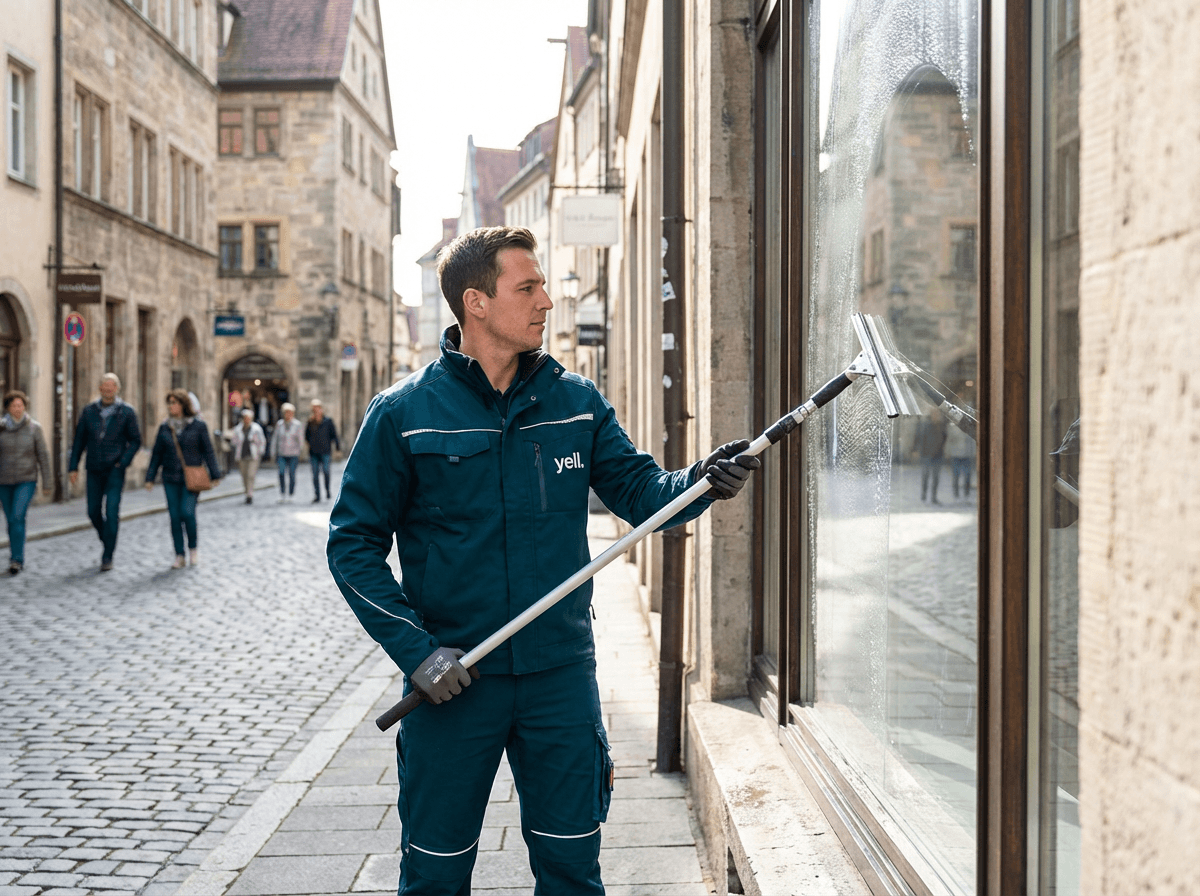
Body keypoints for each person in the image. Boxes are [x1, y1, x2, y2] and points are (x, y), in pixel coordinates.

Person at [327, 226, 759, 896]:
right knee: (434, 875)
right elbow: (352, 544)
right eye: (526, 287)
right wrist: (416, 653)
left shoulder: (574, 403)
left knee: (571, 871)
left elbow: (644, 494)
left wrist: (704, 479)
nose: (545, 302)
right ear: (475, 302)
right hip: (453, 682)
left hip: (558, 677)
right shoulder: (403, 415)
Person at [68, 372, 142, 572]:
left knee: (111, 510)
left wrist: (123, 462)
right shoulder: (89, 411)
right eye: (105, 387)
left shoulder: (127, 412)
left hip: (115, 469)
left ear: (117, 389)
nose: (108, 390)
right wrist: (72, 466)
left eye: (112, 387)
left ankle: (107, 555)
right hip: (93, 468)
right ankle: (107, 539)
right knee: (93, 511)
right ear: (100, 389)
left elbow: (136, 440)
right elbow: (79, 441)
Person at [144, 389, 221, 568]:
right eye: (169, 403)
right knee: (174, 516)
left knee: (187, 512)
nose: (171, 406)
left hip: (191, 478)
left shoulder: (198, 426)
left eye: (175, 402)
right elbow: (157, 454)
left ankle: (193, 548)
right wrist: (150, 477)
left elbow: (208, 450)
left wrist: (215, 473)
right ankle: (179, 554)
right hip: (170, 477)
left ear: (183, 405)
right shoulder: (165, 427)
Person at [0, 391, 52, 575]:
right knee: (10, 520)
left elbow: (43, 456)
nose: (17, 409)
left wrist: (47, 482)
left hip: (26, 480)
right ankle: (15, 554)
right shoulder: (1, 428)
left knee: (17, 516)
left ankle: (17, 559)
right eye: (14, 406)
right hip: (4, 481)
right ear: (7, 408)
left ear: (25, 407)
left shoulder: (33, 428)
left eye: (20, 405)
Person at [304, 398, 340, 503]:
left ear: (321, 409)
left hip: (325, 451)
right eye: (314, 408)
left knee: (326, 471)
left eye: (318, 408)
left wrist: (337, 447)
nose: (316, 410)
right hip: (313, 452)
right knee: (315, 474)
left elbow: (334, 435)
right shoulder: (310, 422)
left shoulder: (328, 421)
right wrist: (310, 444)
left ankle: (327, 490)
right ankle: (317, 495)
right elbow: (306, 436)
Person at [228, 408, 266, 504]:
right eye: (245, 418)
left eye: (248, 418)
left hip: (253, 455)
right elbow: (234, 441)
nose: (246, 420)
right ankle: (246, 492)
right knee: (244, 475)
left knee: (250, 475)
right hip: (242, 455)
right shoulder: (238, 429)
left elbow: (262, 441)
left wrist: (260, 451)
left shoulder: (256, 429)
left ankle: (250, 494)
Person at [270, 402, 303, 502]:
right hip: (282, 453)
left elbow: (300, 439)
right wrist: (273, 452)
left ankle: (291, 494)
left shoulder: (297, 424)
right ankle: (282, 493)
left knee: (292, 474)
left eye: (290, 412)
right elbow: (275, 439)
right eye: (286, 412)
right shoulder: (279, 424)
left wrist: (300, 451)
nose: (288, 415)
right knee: (281, 473)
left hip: (293, 453)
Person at [914, 407, 948, 505]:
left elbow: (945, 439)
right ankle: (924, 495)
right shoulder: (926, 426)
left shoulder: (942, 426)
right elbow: (921, 439)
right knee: (925, 476)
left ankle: (933, 497)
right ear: (931, 415)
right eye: (934, 414)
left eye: (937, 414)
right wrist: (918, 451)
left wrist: (945, 451)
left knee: (936, 478)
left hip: (938, 455)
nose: (936, 416)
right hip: (927, 455)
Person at [945, 419, 975, 500]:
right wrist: (947, 452)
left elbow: (973, 441)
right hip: (956, 455)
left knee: (967, 475)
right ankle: (956, 493)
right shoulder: (952, 427)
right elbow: (949, 440)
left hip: (967, 455)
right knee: (956, 475)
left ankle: (966, 493)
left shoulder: (970, 427)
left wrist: (975, 453)